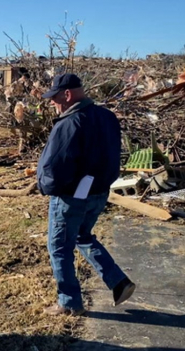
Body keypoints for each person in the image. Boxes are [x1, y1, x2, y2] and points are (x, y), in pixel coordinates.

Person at [37, 73, 136, 316]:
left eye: (55, 98)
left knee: (59, 247)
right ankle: (118, 282)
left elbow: (56, 167)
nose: (53, 103)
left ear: (67, 94)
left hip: (71, 197)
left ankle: (69, 302)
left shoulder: (69, 123)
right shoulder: (107, 117)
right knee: (82, 235)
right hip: (99, 193)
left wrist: (45, 186)